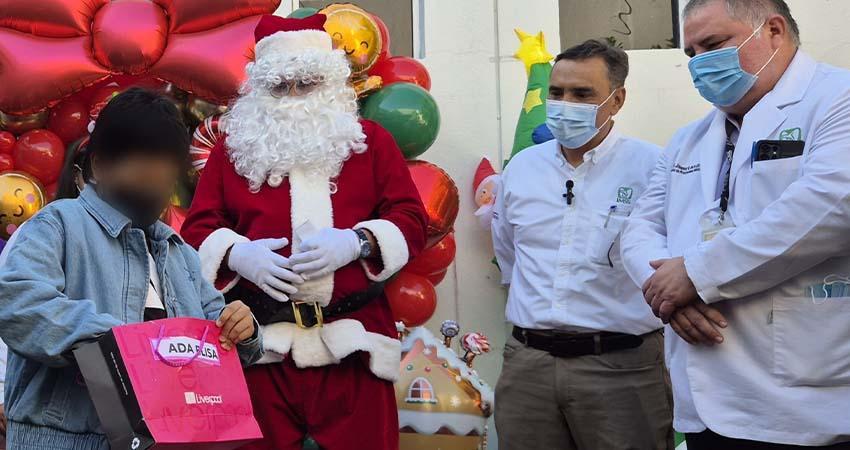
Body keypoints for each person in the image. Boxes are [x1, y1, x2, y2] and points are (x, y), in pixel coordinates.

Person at [180, 15, 428, 450]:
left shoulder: (370, 142)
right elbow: (199, 229)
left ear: (330, 83)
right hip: (261, 345)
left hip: (355, 345)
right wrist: (239, 255)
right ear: (260, 90)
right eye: (280, 87)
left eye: (307, 84)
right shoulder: (232, 151)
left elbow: (411, 219)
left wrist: (358, 242)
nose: (294, 97)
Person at [621, 0, 850, 448]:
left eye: (713, 45)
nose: (699, 64)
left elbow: (831, 205)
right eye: (691, 54)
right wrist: (669, 293)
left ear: (774, 31)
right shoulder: (688, 138)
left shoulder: (836, 100)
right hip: (703, 403)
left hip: (804, 403)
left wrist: (696, 274)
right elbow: (639, 227)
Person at [0, 87, 263, 450]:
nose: (154, 189)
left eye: (164, 179)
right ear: (100, 166)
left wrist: (242, 330)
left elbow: (216, 334)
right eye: (142, 173)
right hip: (65, 439)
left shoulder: (179, 253)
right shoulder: (57, 225)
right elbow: (18, 304)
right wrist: (120, 345)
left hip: (164, 441)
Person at [491, 39, 672, 450]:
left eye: (582, 94)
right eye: (556, 93)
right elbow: (509, 255)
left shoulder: (653, 167)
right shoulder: (522, 168)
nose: (564, 104)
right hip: (529, 368)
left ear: (617, 99)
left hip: (621, 368)